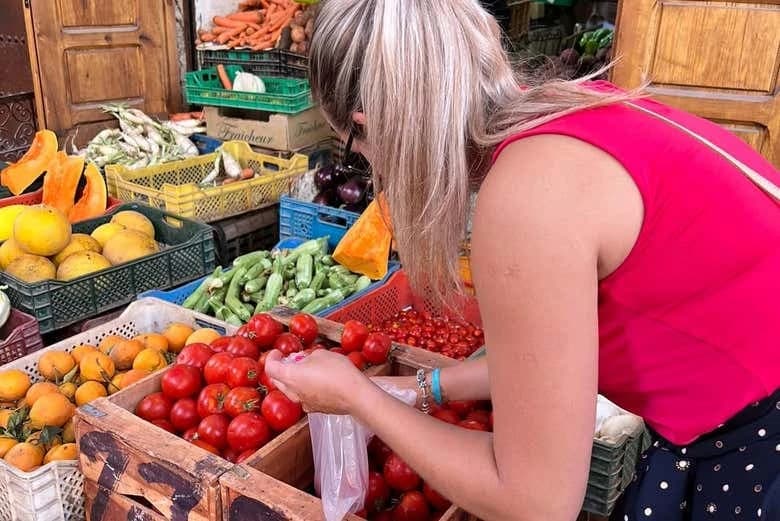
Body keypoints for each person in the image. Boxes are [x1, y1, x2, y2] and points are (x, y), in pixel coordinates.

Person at [264, 1, 780, 520]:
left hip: (757, 450)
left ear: (370, 122)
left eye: (353, 147)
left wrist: (359, 398)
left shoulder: (529, 197)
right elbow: (559, 356)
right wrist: (423, 387)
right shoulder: (570, 116)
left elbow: (537, 504)